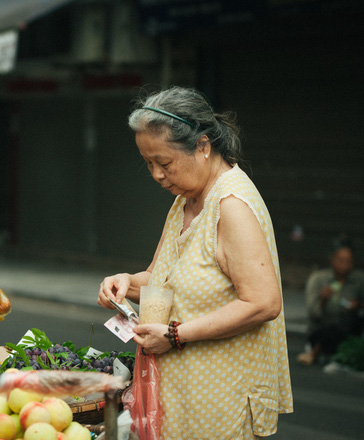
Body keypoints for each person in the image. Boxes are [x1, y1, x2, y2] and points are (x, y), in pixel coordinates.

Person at [97, 86, 293, 439]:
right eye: (149, 164)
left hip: (220, 401)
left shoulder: (231, 205)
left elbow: (264, 302)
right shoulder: (185, 200)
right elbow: (161, 278)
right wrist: (127, 282)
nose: (157, 174)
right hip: (180, 395)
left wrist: (174, 335)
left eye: (165, 162)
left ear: (203, 146)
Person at [298, 235, 364, 365]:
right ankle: (315, 350)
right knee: (333, 330)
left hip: (349, 327)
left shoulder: (359, 280)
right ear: (332, 260)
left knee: (349, 322)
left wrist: (357, 305)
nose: (344, 265)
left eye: (348, 261)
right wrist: (323, 300)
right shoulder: (319, 279)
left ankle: (318, 351)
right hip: (322, 329)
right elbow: (313, 313)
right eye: (341, 260)